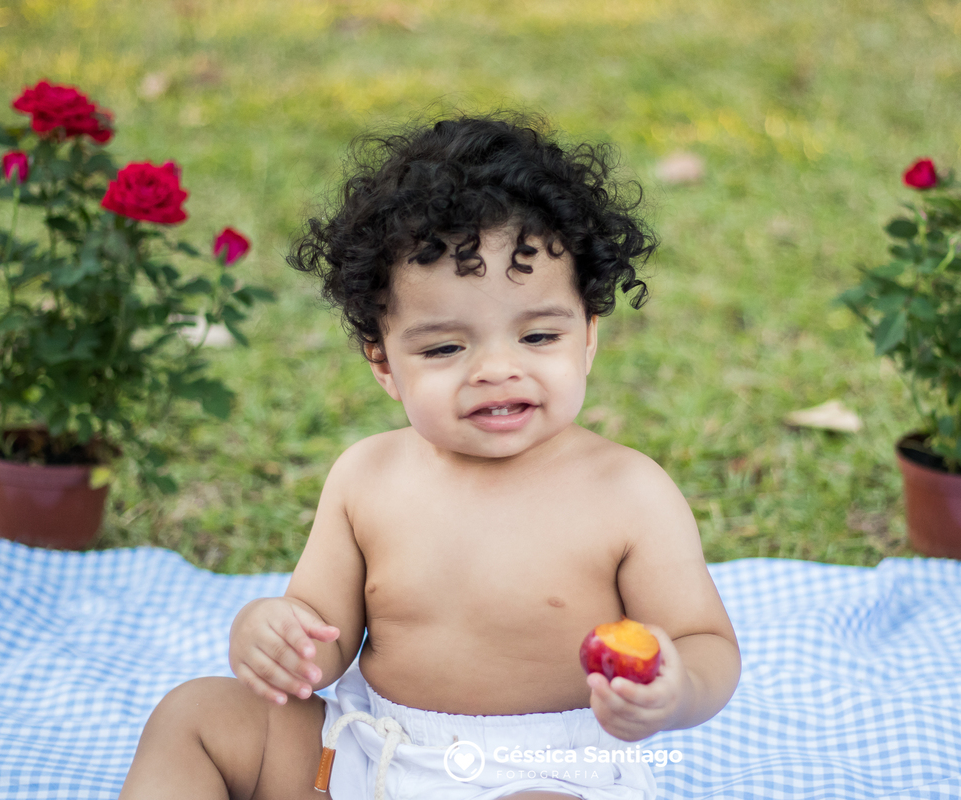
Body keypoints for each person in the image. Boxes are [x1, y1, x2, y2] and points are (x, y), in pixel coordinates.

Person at [119, 114, 740, 800]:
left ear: (588, 337)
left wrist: (676, 689)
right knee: (198, 714)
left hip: (549, 774)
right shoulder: (367, 478)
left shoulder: (629, 493)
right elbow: (320, 635)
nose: (497, 370)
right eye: (446, 348)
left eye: (537, 336)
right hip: (367, 753)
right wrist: (272, 634)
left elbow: (706, 642)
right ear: (385, 364)